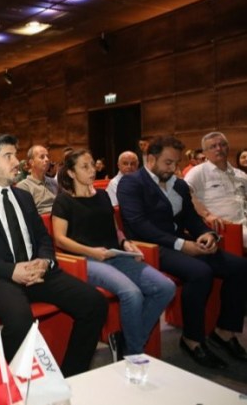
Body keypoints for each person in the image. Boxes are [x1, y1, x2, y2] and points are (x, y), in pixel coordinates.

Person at [0, 133, 107, 376]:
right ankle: (4, 383)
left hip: (38, 272)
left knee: (94, 303)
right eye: (8, 156)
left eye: (16, 155)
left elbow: (43, 237)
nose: (17, 162)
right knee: (20, 321)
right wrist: (12, 270)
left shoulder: (23, 197)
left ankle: (71, 376)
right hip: (1, 277)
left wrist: (44, 261)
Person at [117, 135, 247, 368]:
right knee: (200, 272)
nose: (173, 168)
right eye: (168, 163)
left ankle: (224, 331)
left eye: (176, 163)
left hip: (180, 241)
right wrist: (181, 245)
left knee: (239, 267)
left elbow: (190, 218)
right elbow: (139, 225)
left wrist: (207, 234)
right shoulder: (132, 183)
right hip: (151, 246)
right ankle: (192, 339)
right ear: (151, 159)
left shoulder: (178, 184)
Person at [51, 149, 175, 358]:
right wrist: (91, 251)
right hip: (87, 259)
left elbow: (114, 228)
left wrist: (125, 243)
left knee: (165, 287)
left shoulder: (102, 195)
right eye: (85, 167)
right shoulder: (64, 201)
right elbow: (60, 239)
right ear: (71, 173)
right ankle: (134, 353)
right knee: (132, 293)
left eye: (92, 165)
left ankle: (128, 340)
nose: (92, 170)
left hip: (115, 254)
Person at [185, 132, 247, 249]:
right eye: (213, 146)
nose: (218, 149)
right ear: (205, 152)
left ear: (228, 147)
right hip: (224, 228)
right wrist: (207, 215)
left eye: (222, 145)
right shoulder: (198, 172)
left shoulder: (240, 174)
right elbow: (185, 192)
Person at [16, 145, 58, 214]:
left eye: (48, 156)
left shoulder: (53, 182)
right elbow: (28, 214)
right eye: (42, 157)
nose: (47, 159)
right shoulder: (24, 186)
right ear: (32, 162)